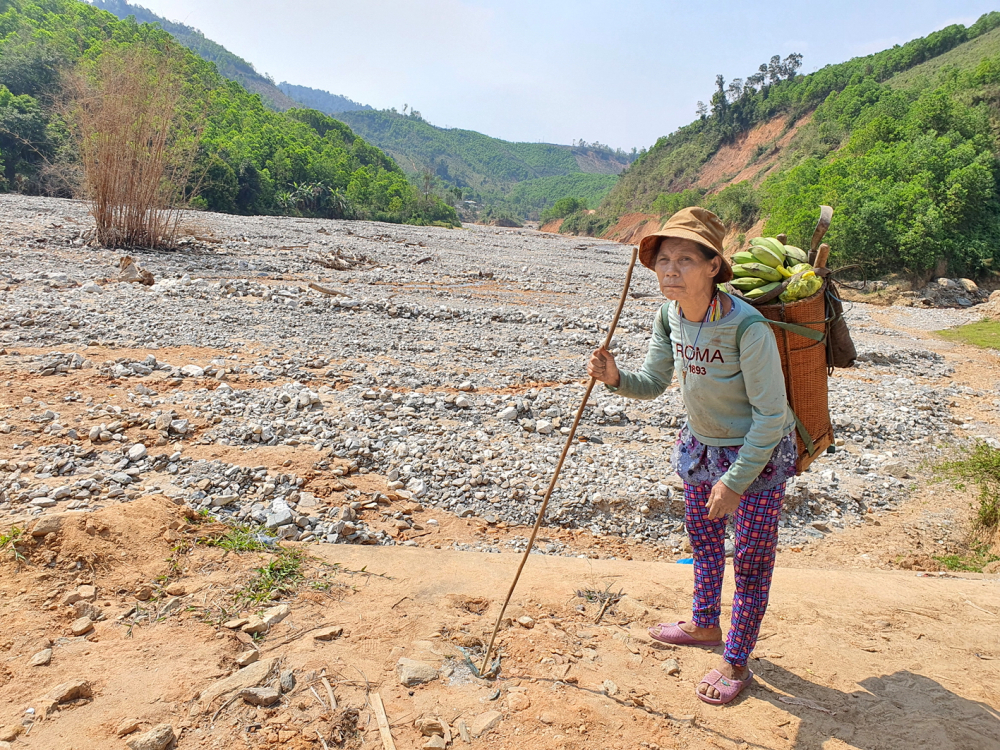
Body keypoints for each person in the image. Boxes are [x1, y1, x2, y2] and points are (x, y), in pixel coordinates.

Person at [586, 207, 797, 705]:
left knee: (750, 561)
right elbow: (655, 382)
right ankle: (705, 624)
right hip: (700, 448)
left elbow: (771, 416)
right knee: (703, 543)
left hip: (756, 458)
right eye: (662, 260)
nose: (669, 270)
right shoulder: (669, 315)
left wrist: (736, 481)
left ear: (712, 267)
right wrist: (615, 378)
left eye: (684, 259)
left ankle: (737, 660)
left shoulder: (747, 328)